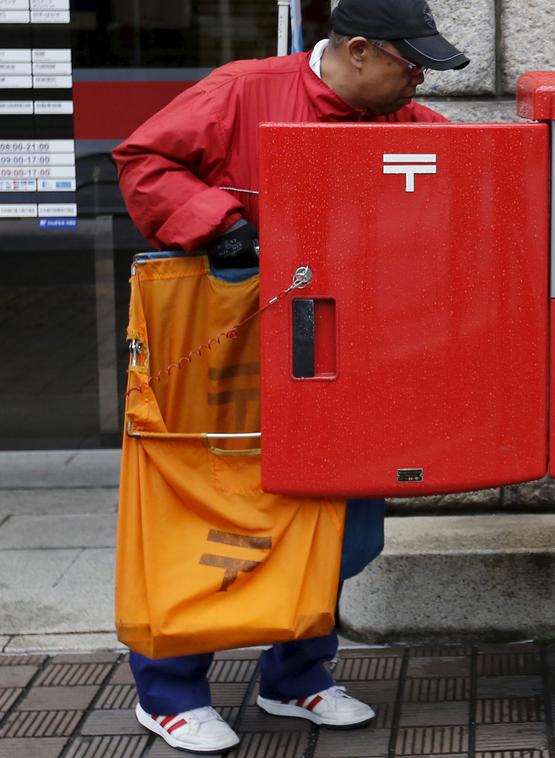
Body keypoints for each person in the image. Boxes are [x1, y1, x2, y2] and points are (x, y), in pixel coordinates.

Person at [112, 0, 468, 752]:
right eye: (412, 67)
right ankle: (169, 689)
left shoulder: (408, 126)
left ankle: (297, 675)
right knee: (209, 518)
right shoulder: (242, 89)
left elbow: (466, 185)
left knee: (344, 527)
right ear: (361, 51)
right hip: (229, 344)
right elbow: (144, 160)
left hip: (348, 351)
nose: (419, 85)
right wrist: (219, 224)